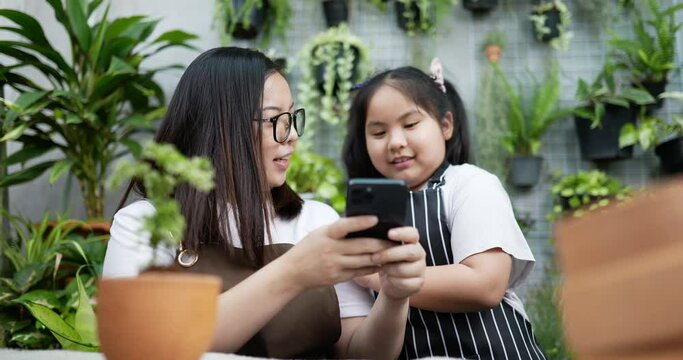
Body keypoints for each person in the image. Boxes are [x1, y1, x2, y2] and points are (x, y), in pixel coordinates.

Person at [103, 47, 426, 359]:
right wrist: (294, 271)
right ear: (223, 127)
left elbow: (361, 354)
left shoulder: (314, 220)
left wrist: (394, 298)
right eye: (276, 120)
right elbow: (146, 349)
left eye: (292, 118)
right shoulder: (144, 224)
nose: (292, 136)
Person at [343, 59, 546, 360]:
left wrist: (376, 277)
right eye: (378, 133)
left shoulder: (469, 185)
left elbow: (485, 285)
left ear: (445, 125)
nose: (396, 142)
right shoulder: (363, 215)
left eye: (410, 124)